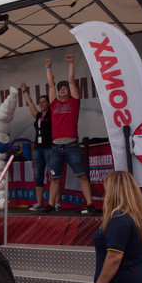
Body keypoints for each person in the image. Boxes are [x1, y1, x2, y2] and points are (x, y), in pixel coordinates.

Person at [47, 54, 95, 214]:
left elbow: (72, 81)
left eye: (65, 88)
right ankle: (50, 205)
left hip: (72, 147)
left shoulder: (74, 102)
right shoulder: (53, 104)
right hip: (56, 148)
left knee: (81, 176)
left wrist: (71, 63)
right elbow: (51, 85)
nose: (62, 89)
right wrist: (48, 67)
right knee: (54, 179)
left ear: (69, 92)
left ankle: (89, 204)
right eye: (60, 89)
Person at [21, 81, 55, 213]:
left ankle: (55, 203)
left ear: (48, 103)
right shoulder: (38, 116)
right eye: (40, 102)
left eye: (44, 102)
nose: (41, 103)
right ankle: (40, 202)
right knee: (39, 175)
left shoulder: (53, 115)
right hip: (38, 149)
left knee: (53, 176)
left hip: (49, 148)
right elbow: (30, 103)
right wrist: (24, 90)